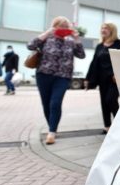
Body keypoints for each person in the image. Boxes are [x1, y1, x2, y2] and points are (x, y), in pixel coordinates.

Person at [28, 16, 85, 144]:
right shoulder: (47, 38)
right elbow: (30, 46)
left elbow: (81, 55)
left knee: (55, 103)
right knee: (46, 104)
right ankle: (51, 127)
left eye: (66, 26)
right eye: (61, 26)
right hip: (44, 75)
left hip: (63, 77)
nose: (64, 28)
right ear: (55, 27)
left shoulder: (71, 41)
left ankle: (52, 132)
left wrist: (77, 39)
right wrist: (47, 33)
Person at [85, 23, 120, 134]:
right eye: (102, 28)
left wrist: (119, 73)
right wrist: (88, 78)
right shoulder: (100, 46)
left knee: (110, 100)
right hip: (101, 78)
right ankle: (107, 126)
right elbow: (94, 63)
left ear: (112, 30)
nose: (103, 30)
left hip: (115, 79)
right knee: (104, 102)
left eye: (106, 28)